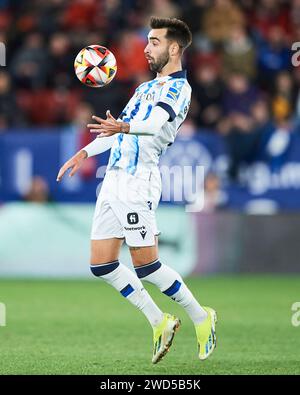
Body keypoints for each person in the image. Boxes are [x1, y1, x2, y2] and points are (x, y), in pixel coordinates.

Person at [57, 16, 217, 364]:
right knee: (102, 265)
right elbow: (116, 132)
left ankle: (202, 317)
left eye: (154, 42)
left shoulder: (180, 89)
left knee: (147, 266)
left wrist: (124, 126)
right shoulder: (143, 88)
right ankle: (160, 321)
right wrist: (84, 152)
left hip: (139, 181)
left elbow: (154, 124)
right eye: (147, 41)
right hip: (112, 179)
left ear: (174, 48)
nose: (146, 48)